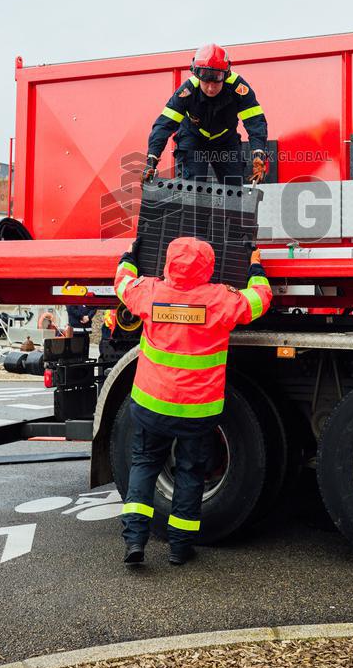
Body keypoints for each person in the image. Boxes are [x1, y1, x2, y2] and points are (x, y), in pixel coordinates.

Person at [113, 235, 272, 566]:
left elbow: (123, 284)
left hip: (151, 404)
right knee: (189, 474)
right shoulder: (219, 301)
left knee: (143, 466)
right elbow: (260, 299)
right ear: (209, 266)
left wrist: (129, 254)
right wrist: (255, 264)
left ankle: (135, 541)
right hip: (197, 410)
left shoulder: (151, 292)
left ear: (169, 263)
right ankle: (180, 548)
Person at [141, 44, 268, 186]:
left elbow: (255, 122)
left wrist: (259, 154)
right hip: (193, 139)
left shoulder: (238, 88)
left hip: (225, 141)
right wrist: (152, 160)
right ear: (196, 74)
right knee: (192, 188)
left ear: (226, 75)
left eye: (216, 81)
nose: (211, 88)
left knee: (234, 188)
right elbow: (164, 125)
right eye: (206, 81)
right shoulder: (187, 91)